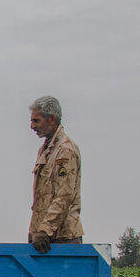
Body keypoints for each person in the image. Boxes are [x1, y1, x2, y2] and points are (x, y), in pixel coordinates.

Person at [27, 95, 82, 253]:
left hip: (62, 236)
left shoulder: (65, 150)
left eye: (36, 121)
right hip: (42, 237)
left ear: (51, 119)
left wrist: (45, 230)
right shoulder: (45, 150)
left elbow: (65, 195)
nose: (32, 126)